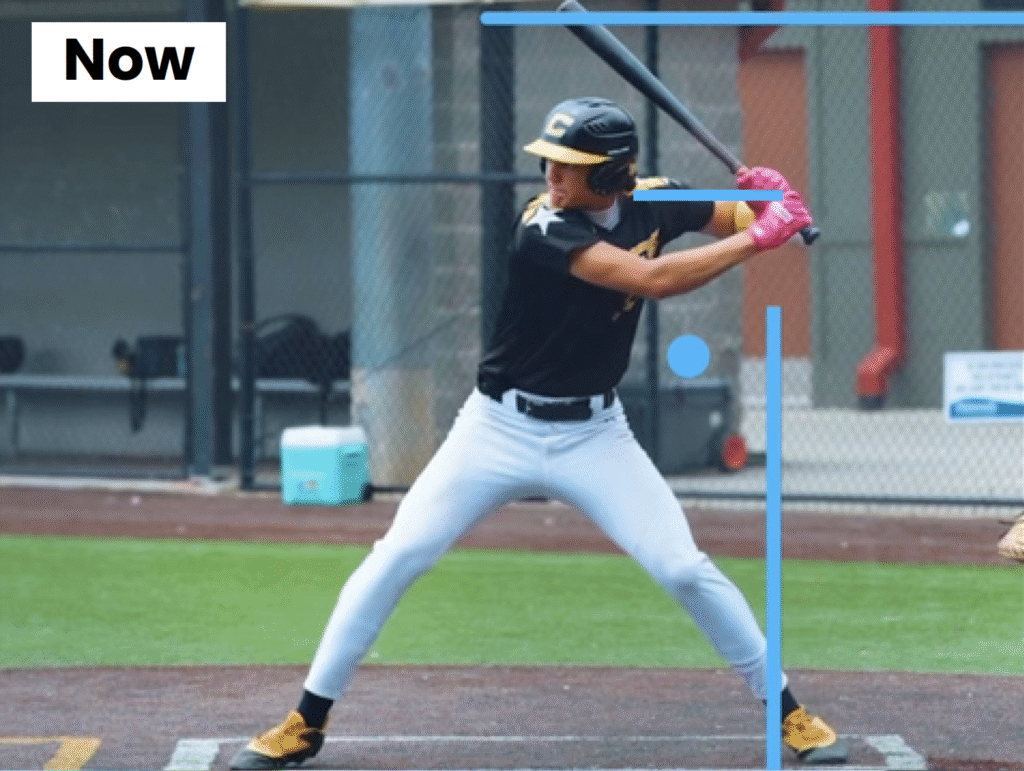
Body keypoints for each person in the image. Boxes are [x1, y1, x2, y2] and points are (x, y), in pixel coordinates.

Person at [229, 96, 848, 769]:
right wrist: (762, 234)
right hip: (496, 428)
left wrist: (766, 204)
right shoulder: (544, 224)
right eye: (550, 160)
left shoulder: (656, 198)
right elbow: (652, 278)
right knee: (398, 554)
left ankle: (788, 713)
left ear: (610, 174)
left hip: (597, 434)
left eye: (569, 164)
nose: (552, 174)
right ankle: (306, 720)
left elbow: (734, 217)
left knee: (682, 567)